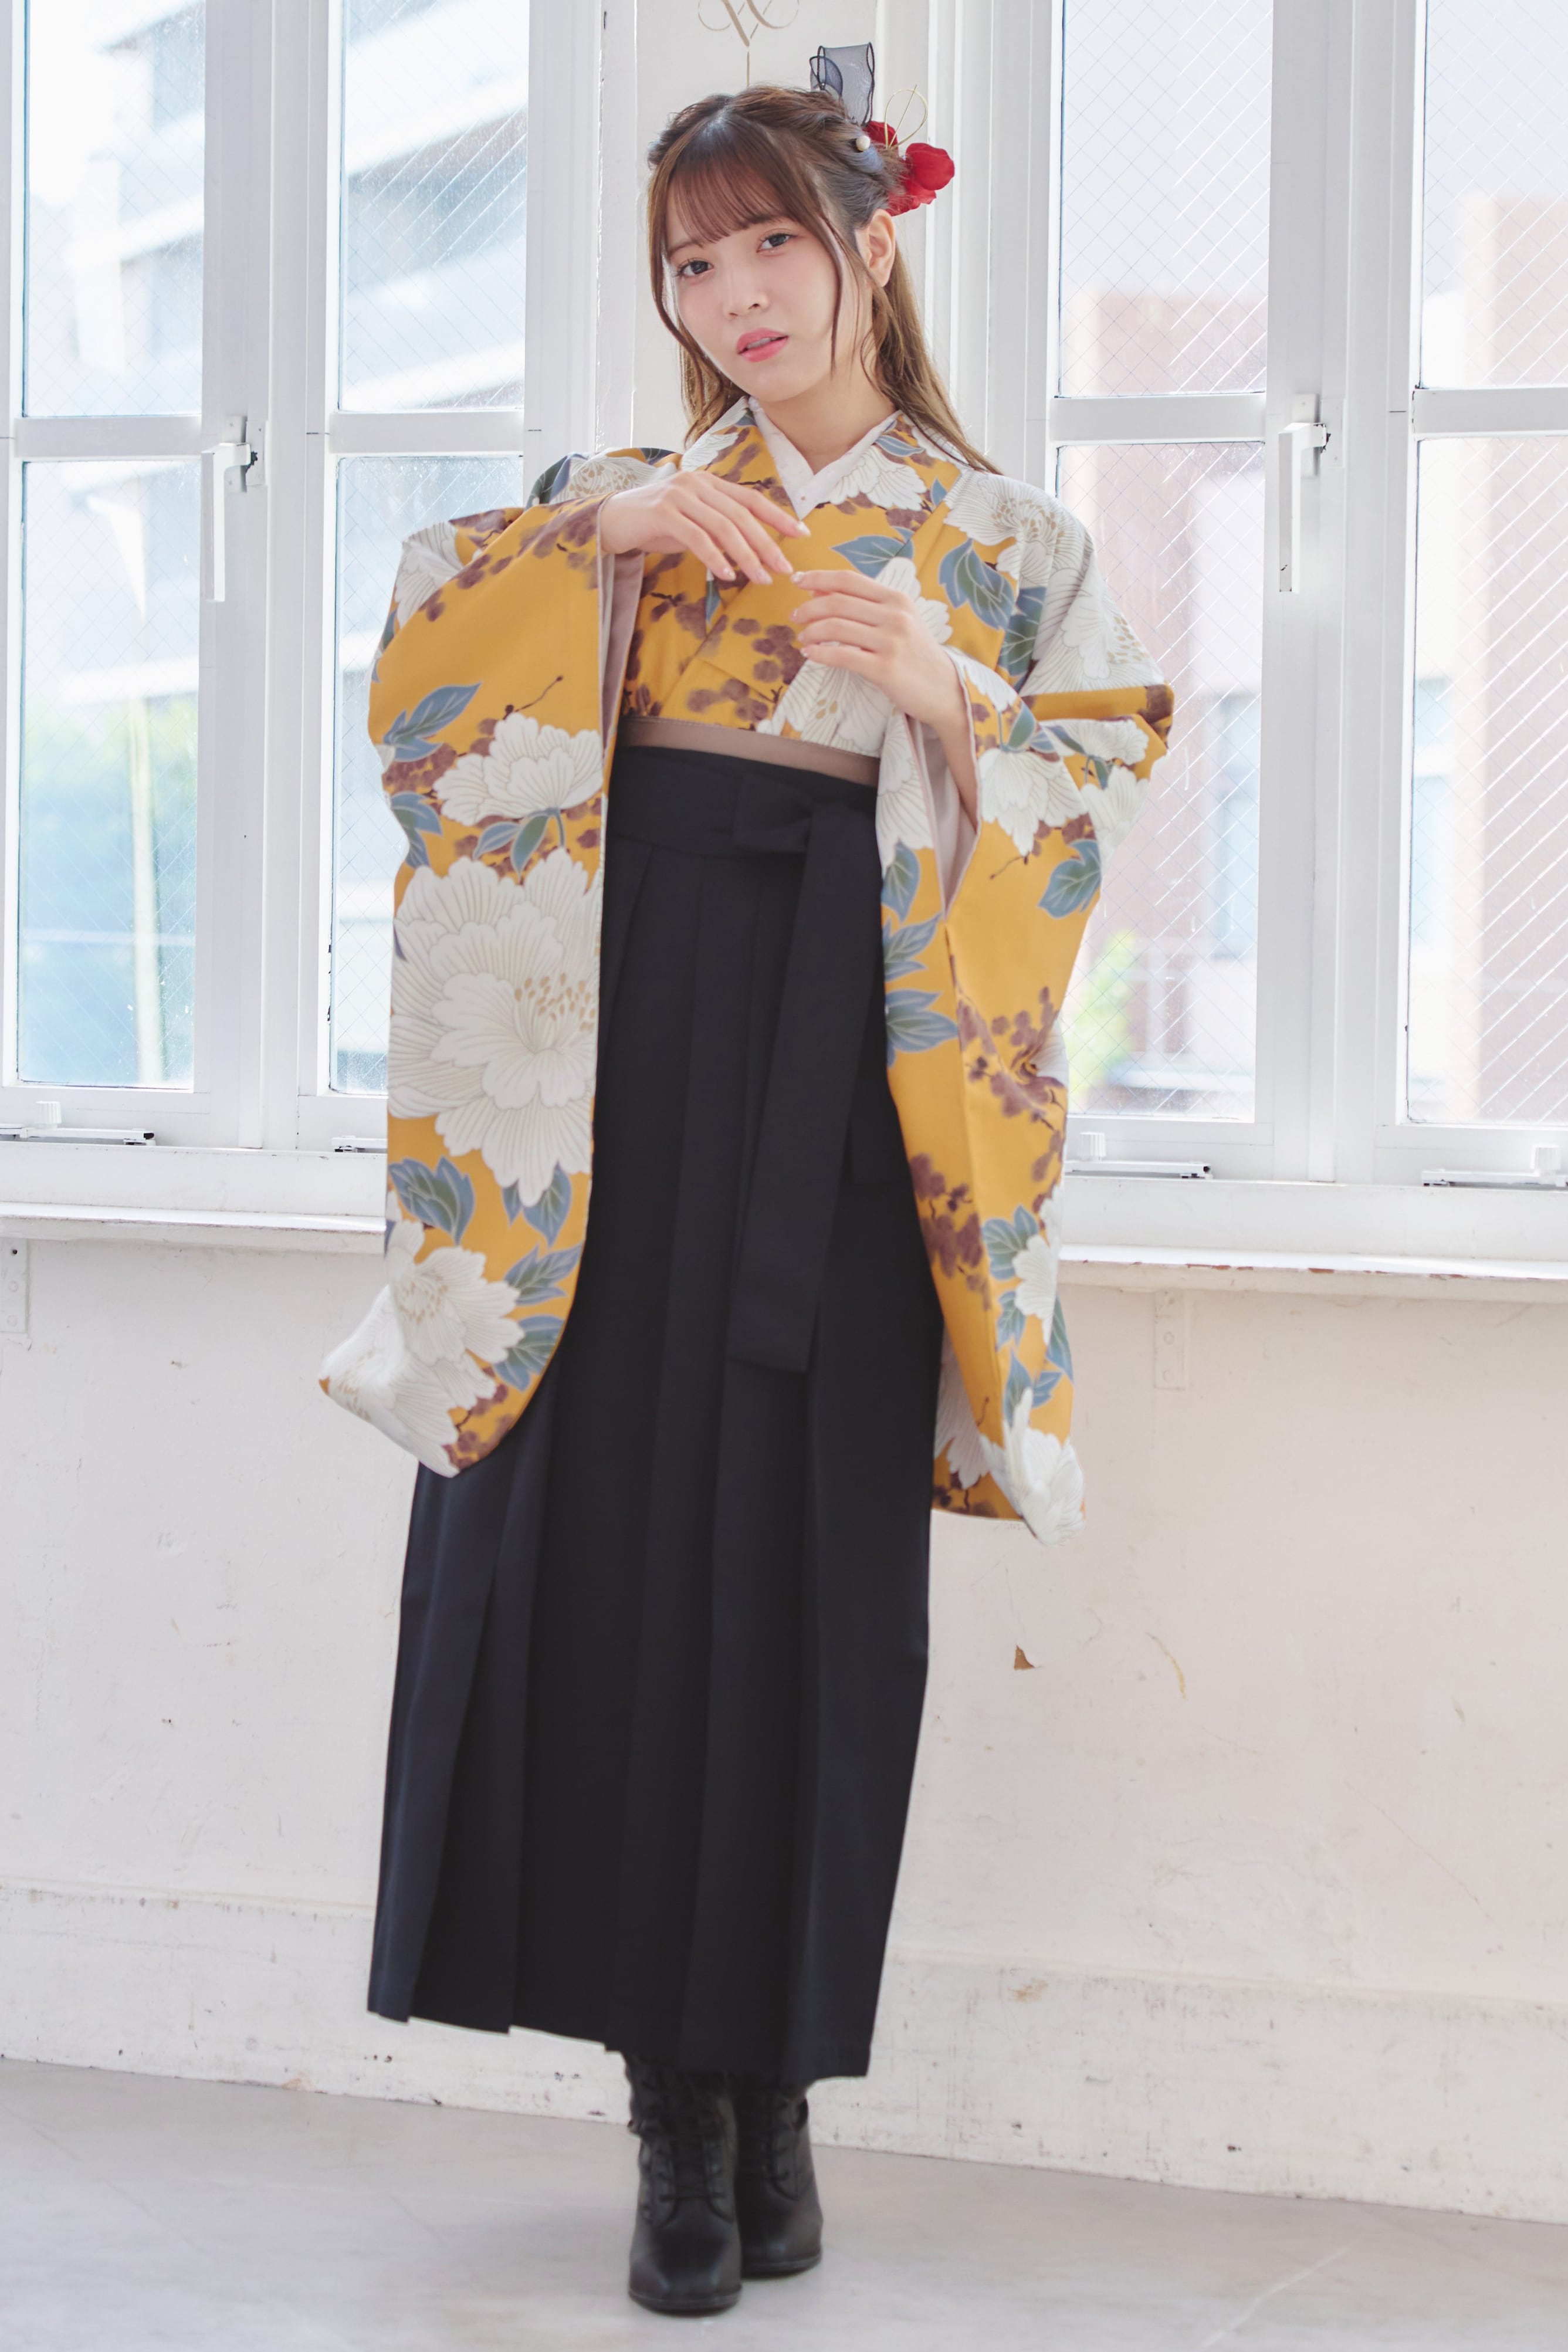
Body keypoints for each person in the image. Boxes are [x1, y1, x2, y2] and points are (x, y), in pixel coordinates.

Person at [323, 69, 1171, 2321]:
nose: (733, 297)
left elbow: (1097, 792)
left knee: (799, 1578)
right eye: (692, 263)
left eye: (771, 242)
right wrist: (589, 554)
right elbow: (421, 708)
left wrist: (950, 689)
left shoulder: (1005, 538)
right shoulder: (620, 501)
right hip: (604, 1061)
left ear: (869, 244)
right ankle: (671, 2123)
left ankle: (773, 2089)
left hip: (852, 1066)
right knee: (592, 1555)